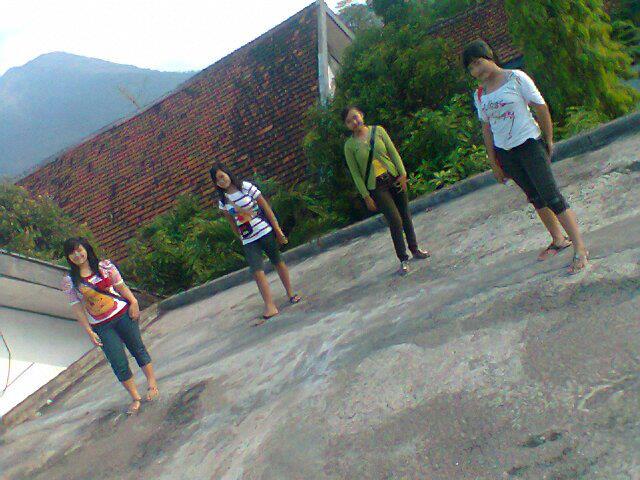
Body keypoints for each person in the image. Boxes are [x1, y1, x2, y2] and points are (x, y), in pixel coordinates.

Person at [463, 39, 589, 273]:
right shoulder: (480, 95)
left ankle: (579, 247)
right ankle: (558, 239)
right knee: (535, 197)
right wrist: (494, 162)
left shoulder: (516, 78)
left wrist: (548, 140)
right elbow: (486, 129)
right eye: (471, 67)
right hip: (506, 153)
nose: (476, 70)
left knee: (552, 196)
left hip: (529, 144)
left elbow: (541, 107)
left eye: (478, 62)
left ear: (490, 57)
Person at [62, 237, 158, 415]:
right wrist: (89, 330)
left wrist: (134, 302)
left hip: (122, 315)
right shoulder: (70, 281)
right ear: (68, 257)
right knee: (117, 361)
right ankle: (135, 397)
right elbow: (77, 308)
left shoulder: (105, 267)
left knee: (137, 348)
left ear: (86, 249)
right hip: (101, 326)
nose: (77, 255)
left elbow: (121, 287)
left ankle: (151, 384)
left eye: (79, 250)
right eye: (72, 253)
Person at [342, 106, 430, 275]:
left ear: (362, 115)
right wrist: (366, 196)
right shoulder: (349, 146)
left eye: (355, 117)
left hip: (393, 177)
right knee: (395, 220)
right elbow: (356, 174)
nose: (354, 122)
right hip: (376, 186)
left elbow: (393, 152)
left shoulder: (378, 131)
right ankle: (403, 258)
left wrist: (402, 174)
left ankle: (415, 248)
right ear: (346, 125)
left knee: (405, 215)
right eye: (349, 121)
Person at [210, 162, 301, 321]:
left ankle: (290, 293)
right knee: (257, 271)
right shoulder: (223, 201)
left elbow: (266, 208)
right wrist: (240, 238)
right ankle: (270, 305)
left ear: (227, 173)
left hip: (264, 230)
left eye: (222, 176)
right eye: (217, 180)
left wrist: (278, 230)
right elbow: (232, 223)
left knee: (277, 261)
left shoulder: (246, 187)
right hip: (248, 238)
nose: (222, 181)